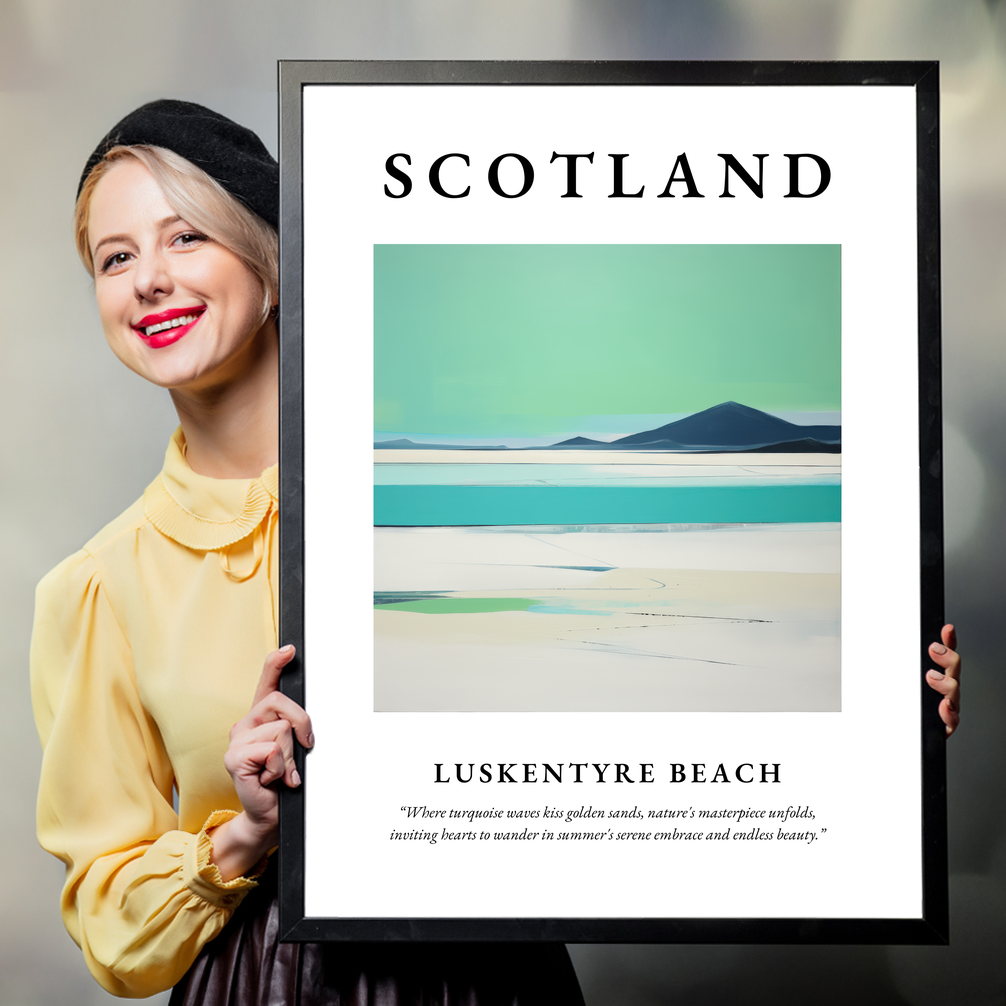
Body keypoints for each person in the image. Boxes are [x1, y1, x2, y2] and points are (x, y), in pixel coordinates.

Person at [30, 100, 585, 1004]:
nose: (148, 281)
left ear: (274, 264)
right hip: (262, 982)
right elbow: (110, 923)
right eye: (116, 257)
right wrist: (245, 832)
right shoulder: (98, 587)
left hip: (491, 973)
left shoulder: (451, 494)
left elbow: (615, 688)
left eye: (186, 238)